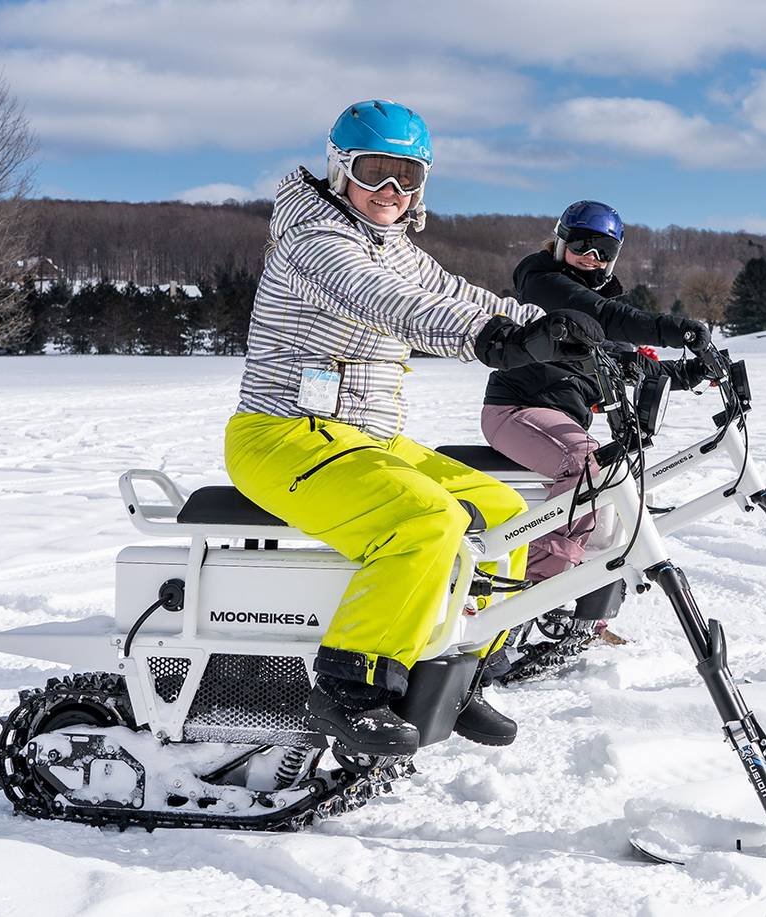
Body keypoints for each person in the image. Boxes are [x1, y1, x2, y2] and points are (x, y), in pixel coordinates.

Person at [225, 100, 602, 756]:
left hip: (364, 437)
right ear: (339, 169)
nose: (392, 192)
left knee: (504, 512)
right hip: (281, 433)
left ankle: (462, 671)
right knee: (427, 519)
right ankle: (350, 684)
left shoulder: (394, 247)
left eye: (408, 176)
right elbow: (391, 305)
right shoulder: (316, 239)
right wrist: (497, 340)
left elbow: (462, 296)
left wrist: (570, 333)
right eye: (376, 172)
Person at [479, 201, 711, 656]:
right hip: (516, 410)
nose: (592, 257)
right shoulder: (543, 282)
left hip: (561, 420)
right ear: (561, 241)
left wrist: (688, 373)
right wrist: (675, 329)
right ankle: (535, 597)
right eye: (582, 245)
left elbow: (629, 362)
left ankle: (587, 611)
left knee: (617, 486)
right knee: (585, 464)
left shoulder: (600, 304)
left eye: (603, 250)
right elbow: (603, 319)